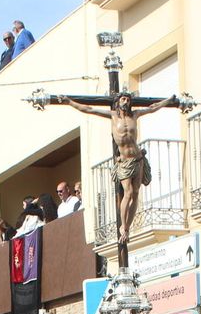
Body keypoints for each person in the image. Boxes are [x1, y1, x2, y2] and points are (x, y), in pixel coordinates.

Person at [51, 92, 184, 263]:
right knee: (127, 193)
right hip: (125, 161)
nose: (126, 102)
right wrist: (69, 102)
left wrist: (167, 100)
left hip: (137, 158)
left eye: (128, 99)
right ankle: (123, 225)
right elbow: (89, 109)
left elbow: (152, 108)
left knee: (136, 193)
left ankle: (127, 227)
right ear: (118, 102)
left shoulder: (135, 115)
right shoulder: (113, 116)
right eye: (123, 99)